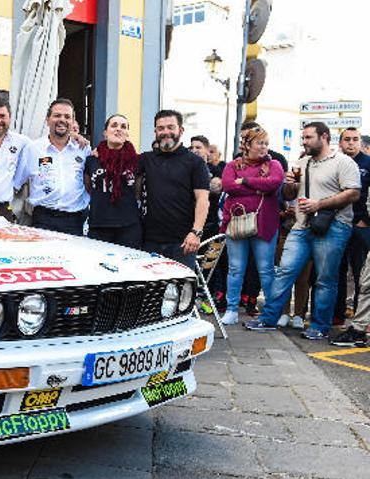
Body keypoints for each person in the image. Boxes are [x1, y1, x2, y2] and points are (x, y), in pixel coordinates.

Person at [246, 122, 360, 339]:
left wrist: (320, 204)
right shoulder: (301, 162)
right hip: (301, 226)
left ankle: (319, 326)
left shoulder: (343, 162)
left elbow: (353, 193)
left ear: (324, 137)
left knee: (325, 279)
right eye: (303, 137)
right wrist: (289, 185)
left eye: (308, 137)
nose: (304, 141)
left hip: (333, 226)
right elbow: (289, 196)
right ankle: (268, 318)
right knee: (285, 270)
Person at [218, 127, 284, 325]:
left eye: (266, 143)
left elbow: (274, 183)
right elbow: (228, 186)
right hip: (236, 222)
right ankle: (231, 309)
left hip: (265, 223)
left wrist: (246, 181)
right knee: (236, 268)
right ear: (247, 145)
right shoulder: (232, 165)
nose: (264, 147)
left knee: (266, 269)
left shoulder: (274, 164)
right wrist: (258, 188)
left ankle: (271, 312)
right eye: (259, 143)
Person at [139, 109, 210, 267]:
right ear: (155, 131)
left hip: (183, 242)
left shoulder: (195, 162)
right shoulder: (146, 159)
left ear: (181, 130)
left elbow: (203, 200)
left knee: (181, 291)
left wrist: (196, 232)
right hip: (149, 242)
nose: (166, 132)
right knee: (151, 291)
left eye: (171, 127)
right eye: (161, 128)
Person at [13, 98, 90, 235]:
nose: (62, 119)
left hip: (74, 221)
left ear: (72, 122)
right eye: (57, 115)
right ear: (47, 120)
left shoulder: (83, 149)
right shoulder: (33, 148)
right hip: (43, 219)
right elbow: (16, 184)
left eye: (67, 117)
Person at [84, 114, 141, 248]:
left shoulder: (138, 161)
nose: (118, 129)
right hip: (99, 225)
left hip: (129, 227)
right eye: (114, 125)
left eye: (123, 126)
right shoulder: (91, 160)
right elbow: (89, 188)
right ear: (105, 132)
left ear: (127, 134)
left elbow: (137, 192)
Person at [334, 127, 370, 324]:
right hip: (338, 222)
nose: (351, 142)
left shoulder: (368, 163)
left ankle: (359, 316)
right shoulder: (335, 162)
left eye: (355, 139)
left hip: (361, 225)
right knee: (337, 271)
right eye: (347, 139)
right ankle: (337, 314)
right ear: (340, 142)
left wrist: (366, 221)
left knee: (360, 274)